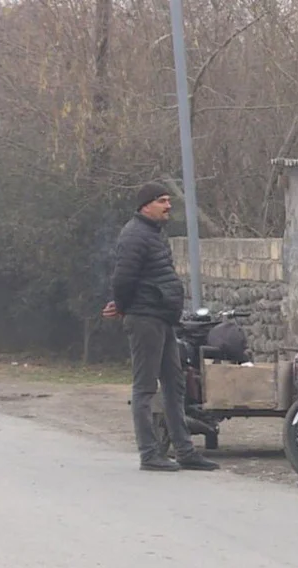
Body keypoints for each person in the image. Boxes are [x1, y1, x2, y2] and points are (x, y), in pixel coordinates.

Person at [102, 182, 220, 472]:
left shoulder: (153, 233)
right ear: (146, 205)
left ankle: (185, 451)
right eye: (162, 201)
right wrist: (124, 306)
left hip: (163, 318)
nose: (168, 206)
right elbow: (123, 279)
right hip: (145, 319)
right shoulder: (134, 236)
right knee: (145, 388)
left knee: (175, 385)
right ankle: (149, 453)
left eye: (168, 200)